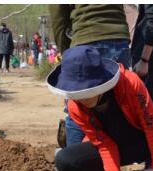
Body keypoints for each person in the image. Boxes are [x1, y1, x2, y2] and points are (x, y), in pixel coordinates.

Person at [49, 4, 132, 147]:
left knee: (78, 109)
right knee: (116, 107)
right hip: (118, 37)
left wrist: (67, 54)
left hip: (86, 36)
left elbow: (57, 11)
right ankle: (111, 164)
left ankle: (77, 165)